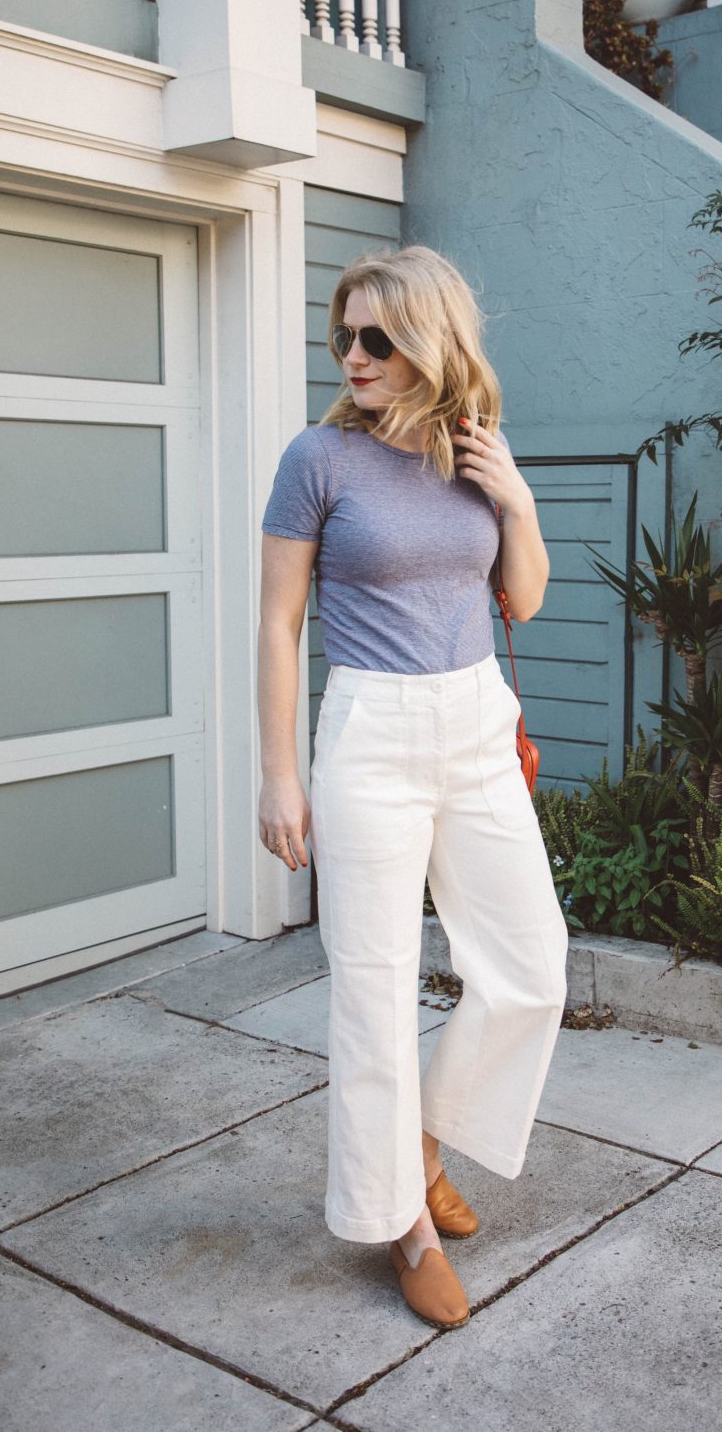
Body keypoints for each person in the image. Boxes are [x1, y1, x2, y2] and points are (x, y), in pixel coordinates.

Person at [256, 244, 570, 1329]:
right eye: (343, 335)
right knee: (376, 991)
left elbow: (520, 600)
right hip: (374, 732)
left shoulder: (474, 444)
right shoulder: (317, 460)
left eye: (378, 338)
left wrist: (516, 500)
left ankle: (421, 1144)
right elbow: (278, 623)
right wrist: (279, 776)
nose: (353, 355)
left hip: (477, 721)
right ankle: (404, 1222)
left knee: (530, 968)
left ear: (429, 341)